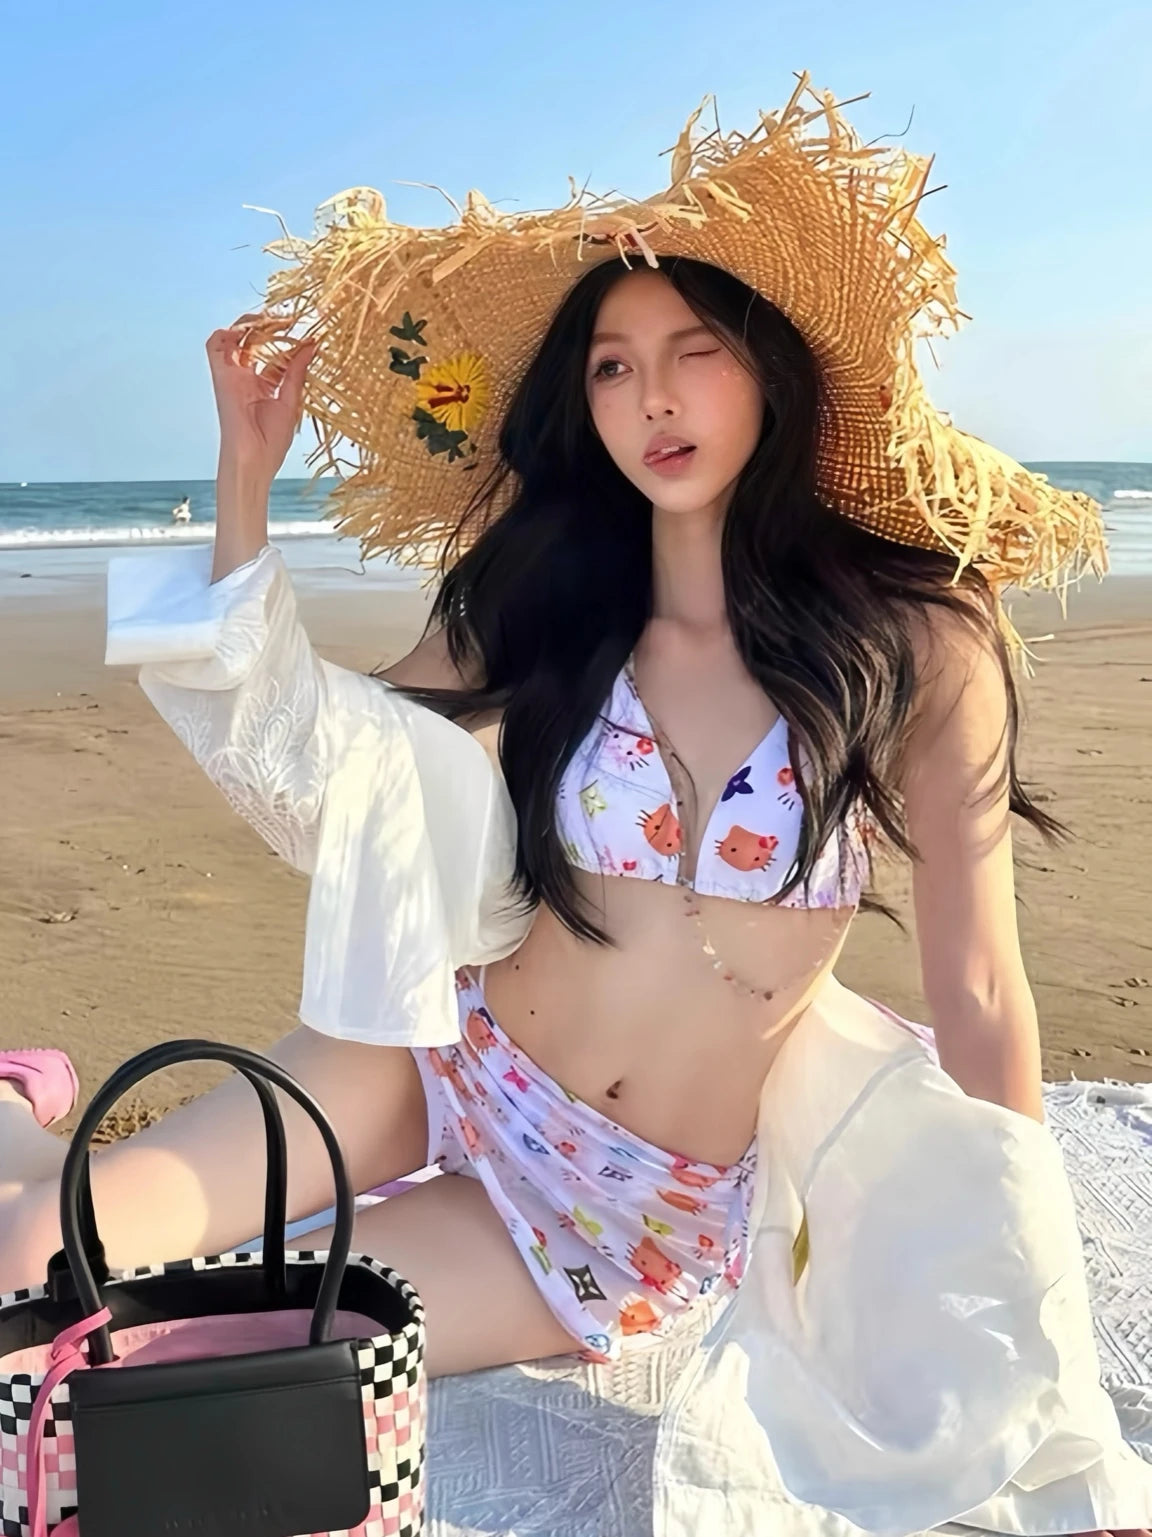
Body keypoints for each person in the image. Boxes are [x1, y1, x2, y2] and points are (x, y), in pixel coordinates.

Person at [2, 77, 1150, 1537]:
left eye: (695, 350)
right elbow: (309, 765)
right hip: (434, 1056)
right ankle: (22, 1119)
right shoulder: (544, 605)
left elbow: (981, 990)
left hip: (615, 1217)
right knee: (33, 1259)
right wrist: (243, 484)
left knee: (177, 1379)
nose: (653, 398)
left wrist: (1051, 1374)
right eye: (612, 367)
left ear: (774, 368)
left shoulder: (921, 644)